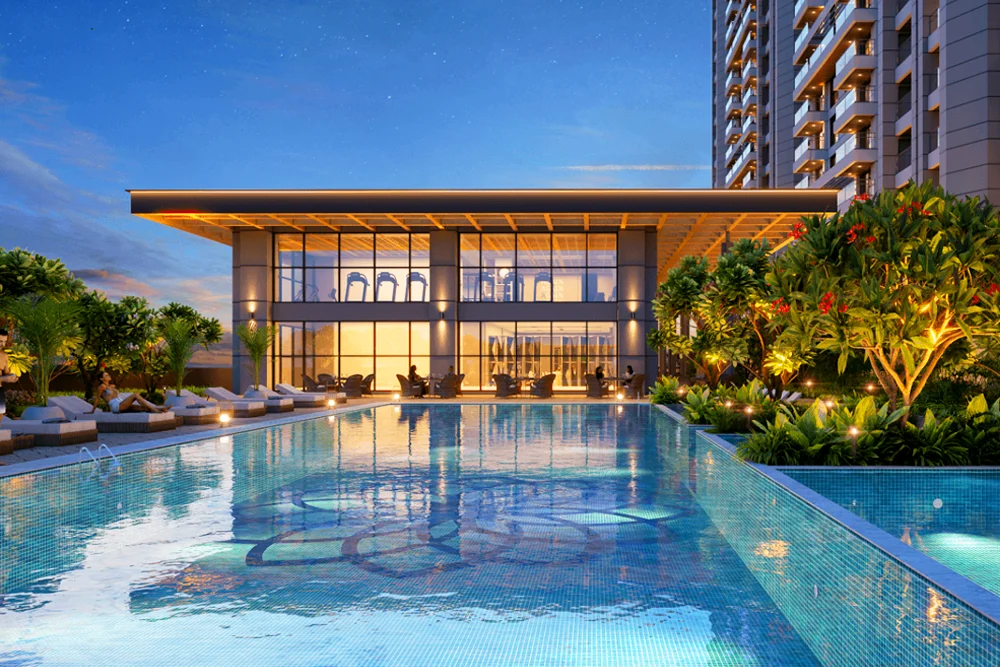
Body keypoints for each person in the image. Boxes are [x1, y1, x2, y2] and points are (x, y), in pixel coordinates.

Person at [90, 371, 168, 414]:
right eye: (106, 375)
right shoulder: (101, 387)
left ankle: (160, 409)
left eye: (108, 374)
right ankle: (155, 410)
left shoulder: (112, 386)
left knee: (143, 409)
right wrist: (92, 411)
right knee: (135, 395)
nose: (108, 376)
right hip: (116, 406)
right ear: (101, 379)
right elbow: (97, 399)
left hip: (121, 403)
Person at [0, 328, 18, 427]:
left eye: (4, 342)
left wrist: (13, 377)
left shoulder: (4, 356)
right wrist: (4, 379)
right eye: (0, 341)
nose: (2, 344)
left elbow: (7, 373)